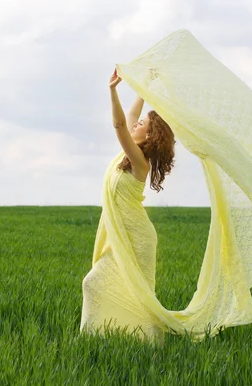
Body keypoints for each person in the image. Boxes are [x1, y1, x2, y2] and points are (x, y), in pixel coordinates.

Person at [79, 68, 176, 343]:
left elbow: (121, 126)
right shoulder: (129, 153)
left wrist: (112, 91)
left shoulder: (138, 161)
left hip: (137, 238)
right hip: (125, 236)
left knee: (135, 295)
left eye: (142, 124)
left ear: (149, 136)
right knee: (96, 283)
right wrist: (143, 89)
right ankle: (102, 339)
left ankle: (148, 344)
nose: (136, 124)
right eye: (139, 121)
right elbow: (130, 120)